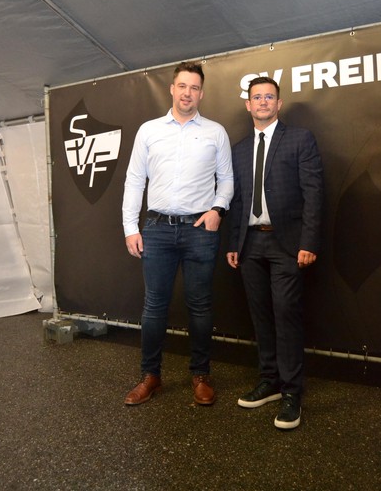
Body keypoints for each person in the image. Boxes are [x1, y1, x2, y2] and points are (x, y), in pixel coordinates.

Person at [123, 61, 233, 406]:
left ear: (202, 93)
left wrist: (218, 210)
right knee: (154, 306)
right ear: (172, 89)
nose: (188, 93)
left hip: (200, 231)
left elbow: (227, 180)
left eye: (194, 88)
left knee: (200, 306)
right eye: (182, 86)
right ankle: (150, 376)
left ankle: (200, 375)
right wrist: (130, 227)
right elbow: (134, 180)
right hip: (156, 229)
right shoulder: (149, 130)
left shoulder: (215, 132)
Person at [226, 76, 323, 429]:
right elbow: (238, 201)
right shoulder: (239, 149)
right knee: (261, 316)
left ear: (279, 104)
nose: (263, 102)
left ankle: (292, 392)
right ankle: (270, 381)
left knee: (285, 315)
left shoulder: (299, 139)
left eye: (269, 96)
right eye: (257, 97)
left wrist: (308, 242)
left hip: (287, 244)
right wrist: (234, 243)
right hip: (250, 243)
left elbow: (313, 193)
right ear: (248, 105)